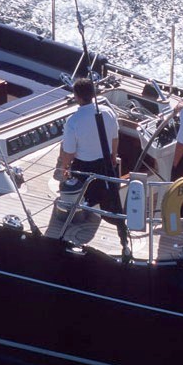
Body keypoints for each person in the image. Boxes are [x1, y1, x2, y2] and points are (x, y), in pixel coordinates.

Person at [58, 78, 130, 256]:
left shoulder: (73, 121)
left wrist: (65, 168)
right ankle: (122, 234)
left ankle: (80, 217)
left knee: (82, 196)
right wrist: (113, 157)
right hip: (106, 164)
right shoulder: (108, 112)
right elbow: (115, 138)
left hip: (84, 168)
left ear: (77, 96)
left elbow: (68, 152)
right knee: (111, 199)